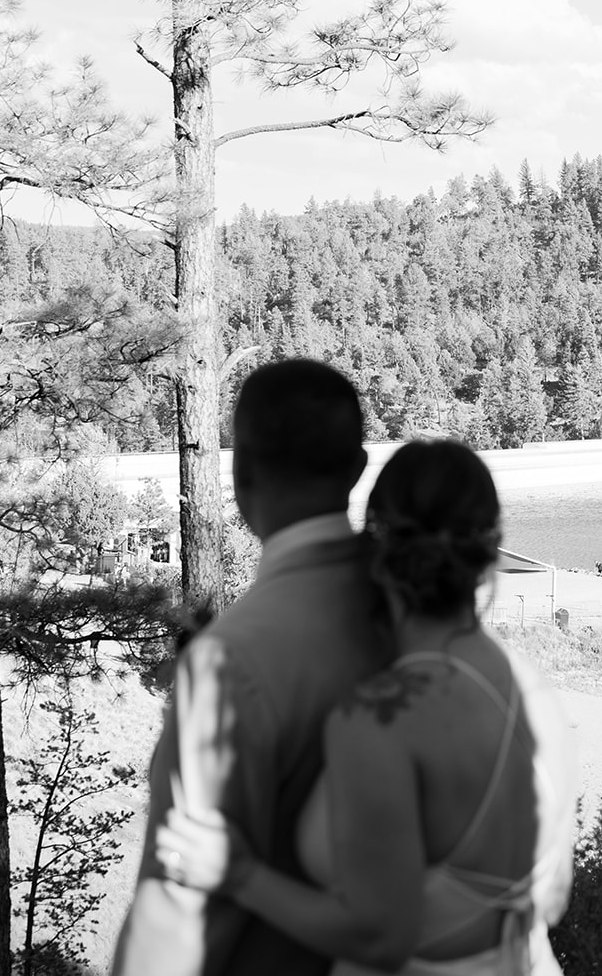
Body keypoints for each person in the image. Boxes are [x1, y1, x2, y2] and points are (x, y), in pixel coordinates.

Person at [154, 439, 577, 975]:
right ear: (488, 554)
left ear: (373, 550)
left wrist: (238, 874)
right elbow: (553, 897)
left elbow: (379, 939)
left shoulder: (382, 718)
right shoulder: (538, 695)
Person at [113, 360, 388, 976]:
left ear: (239, 477)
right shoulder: (414, 617)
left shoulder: (229, 659)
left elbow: (177, 899)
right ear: (356, 469)